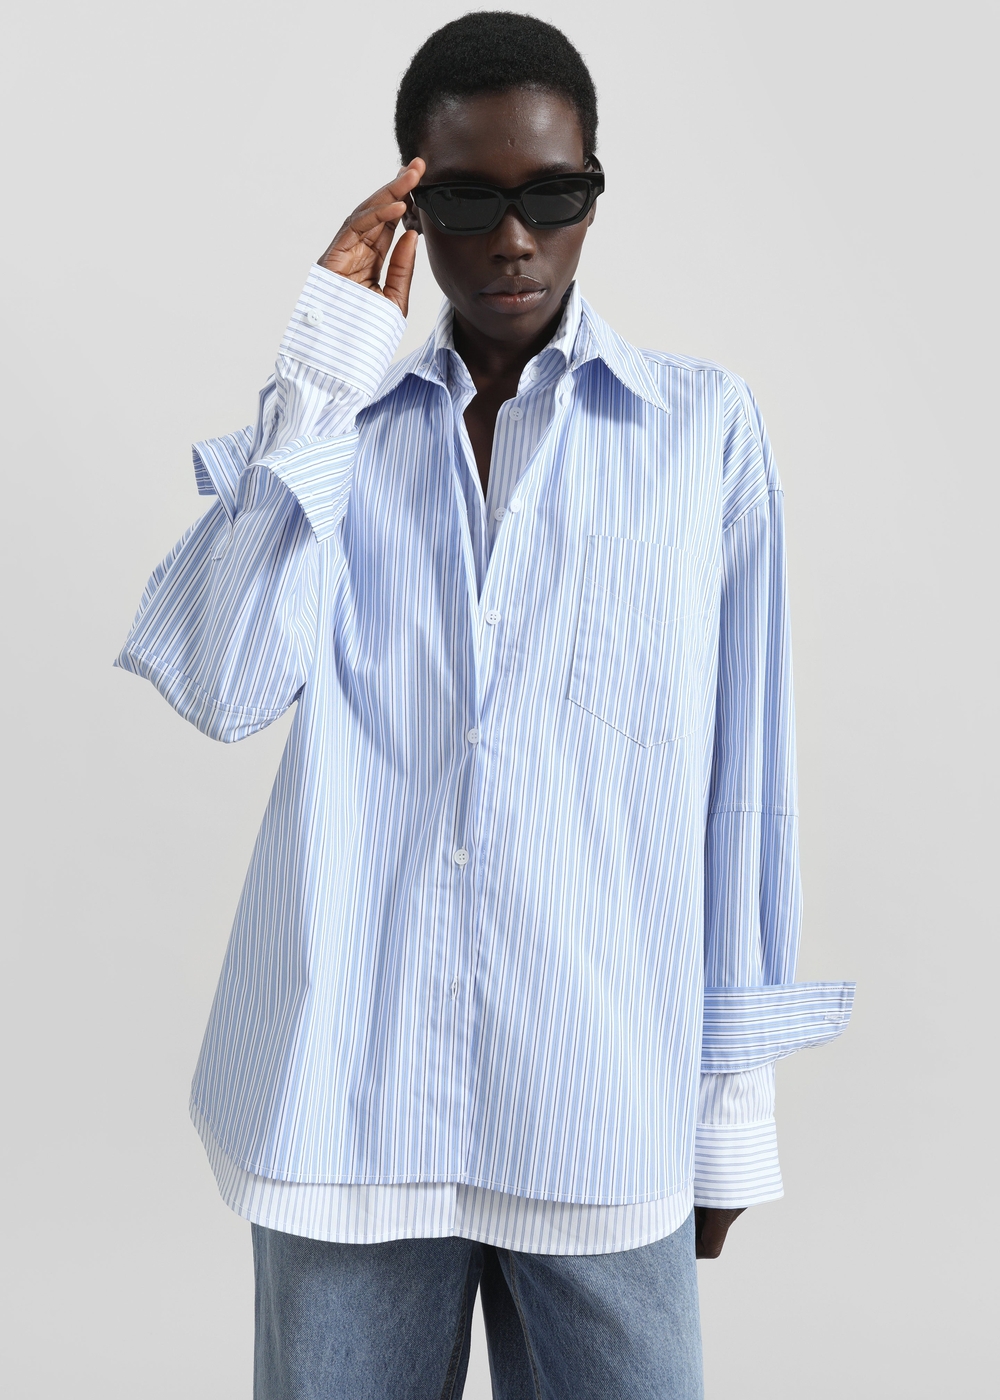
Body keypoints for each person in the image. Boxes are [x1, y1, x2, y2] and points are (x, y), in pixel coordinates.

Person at [115, 12, 854, 1398]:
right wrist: (320, 369)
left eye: (553, 196)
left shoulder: (702, 431)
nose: (514, 239)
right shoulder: (341, 436)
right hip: (346, 1102)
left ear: (594, 192)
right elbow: (221, 682)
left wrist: (729, 1116)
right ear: (412, 202)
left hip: (602, 1105)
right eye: (465, 200)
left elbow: (745, 786)